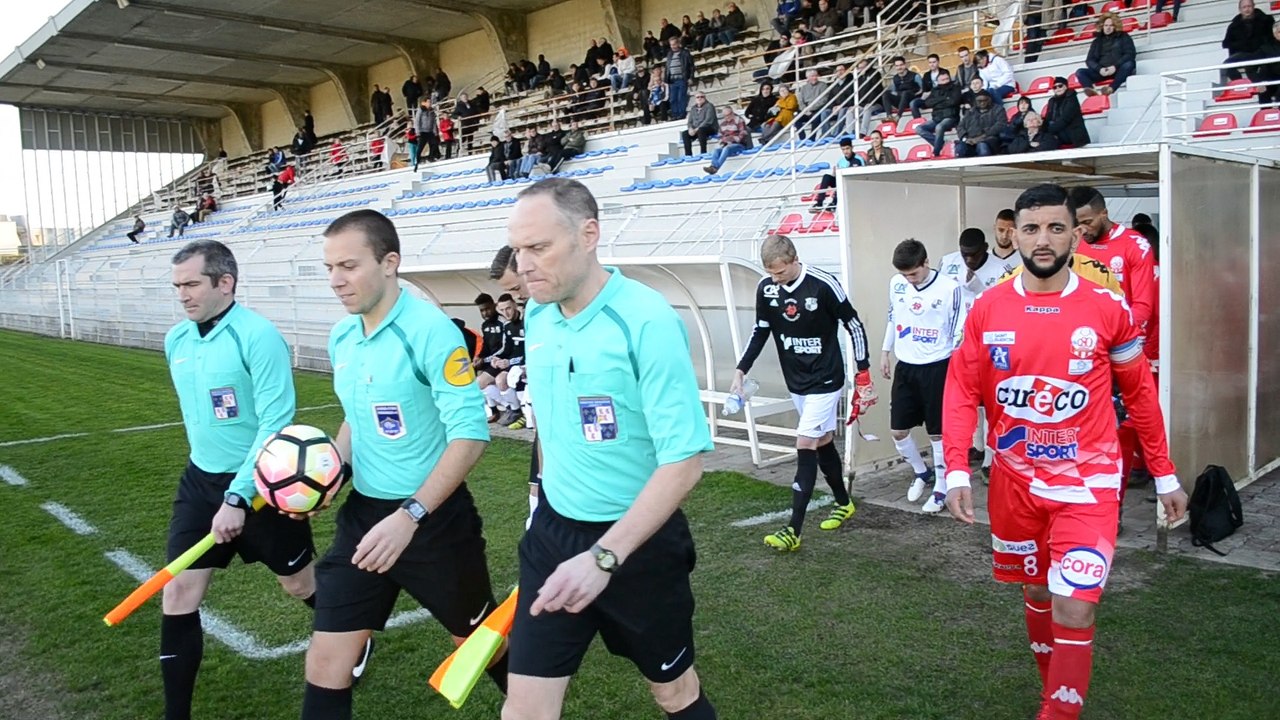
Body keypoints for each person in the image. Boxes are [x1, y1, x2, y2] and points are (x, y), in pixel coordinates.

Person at [941, 183, 1187, 720]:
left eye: (1056, 228)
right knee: (1037, 591)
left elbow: (1140, 394)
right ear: (1015, 235)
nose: (1043, 240)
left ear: (1076, 235)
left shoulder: (1107, 307)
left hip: (1088, 484)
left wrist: (1164, 473)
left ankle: (1057, 713)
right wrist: (956, 467)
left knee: (1074, 607)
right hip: (1014, 482)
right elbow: (961, 389)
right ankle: (1053, 692)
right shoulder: (988, 307)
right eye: (1031, 229)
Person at [503, 178, 719, 720]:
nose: (523, 265)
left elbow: (684, 461)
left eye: (538, 247)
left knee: (674, 692)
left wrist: (604, 557)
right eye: (517, 249)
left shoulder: (646, 320)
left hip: (639, 546)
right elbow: (552, 420)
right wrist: (539, 498)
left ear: (589, 234)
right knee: (524, 709)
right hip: (552, 537)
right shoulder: (538, 313)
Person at [302, 210, 503, 719]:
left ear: (389, 262)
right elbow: (356, 419)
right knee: (326, 660)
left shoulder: (431, 331)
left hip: (433, 522)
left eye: (348, 265)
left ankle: (533, 702)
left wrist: (410, 515)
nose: (335, 280)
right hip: (364, 519)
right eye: (329, 268)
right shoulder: (343, 335)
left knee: (479, 645)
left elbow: (470, 434)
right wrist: (330, 475)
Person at [161, 239, 324, 720]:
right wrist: (217, 491)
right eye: (177, 286)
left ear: (225, 282)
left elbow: (276, 421)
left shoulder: (258, 336)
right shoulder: (176, 340)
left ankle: (351, 637)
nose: (183, 295)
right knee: (178, 592)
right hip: (200, 483)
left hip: (260, 488)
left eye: (192, 284)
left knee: (298, 584)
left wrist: (237, 495)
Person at [733, 235, 876, 552]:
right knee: (822, 440)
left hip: (826, 378)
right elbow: (760, 331)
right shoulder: (767, 289)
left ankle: (793, 530)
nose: (775, 279)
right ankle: (844, 503)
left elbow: (853, 325)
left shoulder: (823, 284)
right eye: (770, 273)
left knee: (805, 442)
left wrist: (863, 371)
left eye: (780, 272)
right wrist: (741, 369)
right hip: (796, 380)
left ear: (794, 259)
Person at [881, 239, 967, 513]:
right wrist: (885, 351)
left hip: (936, 366)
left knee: (937, 433)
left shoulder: (950, 288)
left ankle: (941, 487)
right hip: (906, 366)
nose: (910, 279)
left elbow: (959, 330)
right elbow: (893, 318)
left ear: (926, 262)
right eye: (905, 274)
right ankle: (922, 471)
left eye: (914, 273)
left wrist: (956, 366)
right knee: (898, 430)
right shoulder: (897, 284)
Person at [1068, 186, 1157, 338]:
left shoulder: (1135, 245)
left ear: (1104, 213)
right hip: (1080, 335)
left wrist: (1114, 336)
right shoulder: (1073, 242)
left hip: (1118, 336)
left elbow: (1142, 307)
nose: (1083, 229)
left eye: (1087, 222)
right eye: (1077, 224)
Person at [483, 293, 526, 427]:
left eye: (508, 308)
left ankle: (517, 411)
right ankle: (509, 406)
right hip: (509, 361)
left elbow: (527, 350)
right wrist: (496, 358)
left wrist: (510, 362)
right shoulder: (507, 326)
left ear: (515, 305)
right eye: (502, 310)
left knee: (501, 380)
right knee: (480, 382)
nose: (506, 313)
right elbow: (506, 348)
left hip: (522, 362)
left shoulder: (526, 322)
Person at [937, 228, 1010, 306]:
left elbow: (1005, 304)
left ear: (985, 247)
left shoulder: (1002, 269)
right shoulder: (947, 262)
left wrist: (978, 288)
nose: (969, 260)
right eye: (965, 254)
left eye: (974, 254)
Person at [1075, 13, 1137, 96]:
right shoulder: (1097, 41)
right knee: (1080, 72)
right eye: (1106, 25)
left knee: (1129, 64)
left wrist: (1115, 67)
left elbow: (1130, 54)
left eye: (1111, 25)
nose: (1108, 28)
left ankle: (1111, 88)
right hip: (1102, 71)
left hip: (1118, 70)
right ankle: (1092, 92)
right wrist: (1099, 69)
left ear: (1115, 26)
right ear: (1102, 26)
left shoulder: (1124, 37)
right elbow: (1089, 60)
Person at [1221, 0, 1275, 83]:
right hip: (1243, 53)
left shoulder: (1266, 20)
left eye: (1249, 6)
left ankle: (1261, 86)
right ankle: (1240, 85)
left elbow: (1273, 37)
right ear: (1240, 9)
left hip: (1263, 52)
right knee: (1227, 65)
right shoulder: (1233, 26)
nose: (1247, 9)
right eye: (1244, 7)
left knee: (1259, 67)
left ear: (1253, 6)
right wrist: (1241, 45)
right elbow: (1226, 43)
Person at [473, 292, 506, 423]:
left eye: (487, 309)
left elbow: (505, 346)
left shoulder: (503, 322)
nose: (485, 313)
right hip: (490, 360)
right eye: (482, 310)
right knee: (476, 378)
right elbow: (486, 345)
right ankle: (494, 411)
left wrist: (488, 359)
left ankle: (511, 408)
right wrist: (479, 356)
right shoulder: (485, 325)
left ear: (494, 305)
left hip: (502, 360)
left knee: (479, 383)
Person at [915, 69, 962, 157]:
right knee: (919, 129)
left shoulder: (955, 88)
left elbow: (953, 101)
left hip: (951, 117)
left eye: (947, 79)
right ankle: (941, 143)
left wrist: (937, 102)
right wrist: (944, 99)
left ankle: (936, 152)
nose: (945, 82)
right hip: (937, 117)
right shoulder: (935, 90)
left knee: (939, 127)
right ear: (938, 81)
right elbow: (927, 103)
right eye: (943, 80)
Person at [809, 137, 863, 211]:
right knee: (826, 177)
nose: (845, 151)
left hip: (854, 183)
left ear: (852, 147)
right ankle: (819, 203)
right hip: (842, 182)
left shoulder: (859, 159)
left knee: (842, 183)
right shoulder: (840, 161)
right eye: (843, 149)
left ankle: (834, 204)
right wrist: (834, 174)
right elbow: (836, 176)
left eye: (847, 148)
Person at [954, 90, 1008, 157]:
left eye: (985, 100)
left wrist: (981, 137)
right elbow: (960, 126)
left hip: (989, 140)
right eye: (979, 101)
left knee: (982, 146)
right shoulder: (970, 112)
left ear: (989, 100)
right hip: (970, 141)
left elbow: (1001, 125)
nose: (982, 103)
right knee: (960, 148)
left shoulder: (998, 109)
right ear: (976, 101)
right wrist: (965, 138)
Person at [1043, 78, 1091, 148]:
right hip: (1058, 131)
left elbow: (1065, 119)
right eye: (1055, 87)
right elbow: (1048, 117)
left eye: (1060, 86)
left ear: (1066, 86)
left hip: (1073, 134)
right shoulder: (1052, 101)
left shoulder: (1072, 98)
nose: (1057, 89)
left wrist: (1049, 130)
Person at [705, 105, 749, 173]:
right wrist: (723, 141)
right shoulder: (722, 123)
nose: (727, 117)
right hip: (726, 144)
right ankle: (713, 167)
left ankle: (715, 168)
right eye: (725, 115)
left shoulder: (739, 120)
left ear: (732, 113)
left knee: (726, 148)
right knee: (716, 150)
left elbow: (743, 134)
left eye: (728, 115)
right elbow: (720, 136)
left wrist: (731, 139)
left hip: (739, 144)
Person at [665, 36, 696, 120]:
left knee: (681, 97)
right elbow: (667, 67)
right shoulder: (669, 54)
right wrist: (666, 79)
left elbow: (691, 66)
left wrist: (691, 77)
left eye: (674, 44)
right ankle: (675, 115)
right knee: (672, 99)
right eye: (671, 45)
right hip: (672, 80)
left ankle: (681, 114)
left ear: (678, 44)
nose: (673, 46)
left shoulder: (685, 53)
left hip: (682, 79)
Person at [682, 92, 718, 156]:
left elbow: (708, 120)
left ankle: (703, 152)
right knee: (685, 133)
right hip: (696, 129)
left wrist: (696, 129)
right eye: (698, 97)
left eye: (702, 97)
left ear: (705, 98)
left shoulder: (709, 106)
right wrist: (690, 129)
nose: (700, 98)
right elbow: (690, 121)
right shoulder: (693, 108)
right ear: (695, 99)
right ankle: (688, 155)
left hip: (710, 128)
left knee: (701, 130)